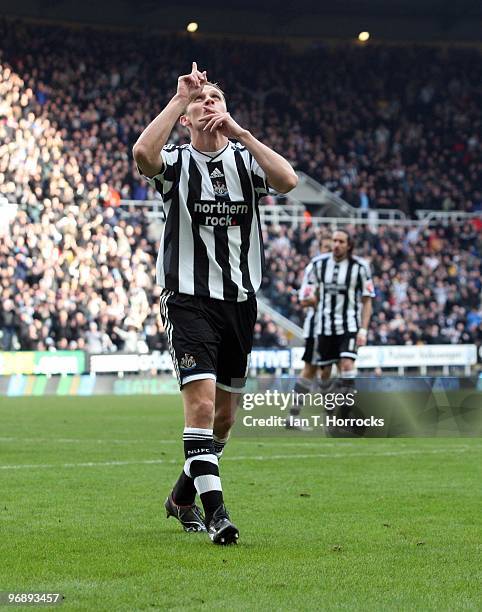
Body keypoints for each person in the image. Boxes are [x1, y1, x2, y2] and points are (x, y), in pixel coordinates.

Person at [133, 62, 297, 544]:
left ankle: (182, 494)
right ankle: (217, 514)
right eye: (202, 102)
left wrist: (241, 133)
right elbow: (143, 153)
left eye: (216, 100)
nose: (209, 106)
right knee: (201, 406)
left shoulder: (246, 163)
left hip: (240, 303)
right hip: (188, 299)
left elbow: (287, 181)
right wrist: (179, 98)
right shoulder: (178, 163)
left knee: (224, 418)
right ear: (187, 117)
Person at [310, 229, 375, 390]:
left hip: (349, 326)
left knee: (346, 364)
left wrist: (363, 330)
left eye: (341, 242)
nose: (336, 245)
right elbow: (314, 292)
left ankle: (346, 411)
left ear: (349, 245)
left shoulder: (360, 267)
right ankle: (329, 410)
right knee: (324, 372)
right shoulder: (319, 265)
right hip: (325, 327)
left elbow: (367, 300)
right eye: (334, 241)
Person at [286, 235, 333, 429]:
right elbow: (304, 300)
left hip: (333, 328)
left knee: (322, 370)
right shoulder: (313, 269)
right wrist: (321, 295)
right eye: (327, 247)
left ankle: (297, 416)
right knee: (317, 369)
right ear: (320, 249)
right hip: (317, 327)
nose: (331, 251)